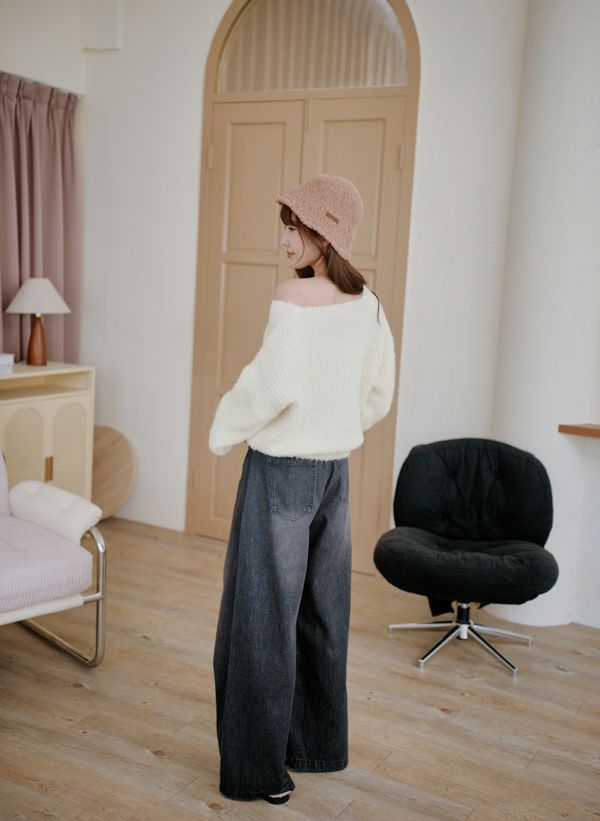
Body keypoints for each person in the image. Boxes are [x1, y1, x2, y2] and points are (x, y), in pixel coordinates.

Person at [208, 173, 396, 805]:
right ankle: (317, 746)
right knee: (322, 612)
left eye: (297, 228)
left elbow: (271, 387)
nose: (286, 240)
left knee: (261, 617)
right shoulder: (369, 303)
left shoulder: (293, 297)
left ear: (327, 234)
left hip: (281, 472)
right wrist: (337, 426)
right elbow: (378, 393)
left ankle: (259, 772)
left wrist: (224, 427)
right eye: (286, 226)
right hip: (334, 472)